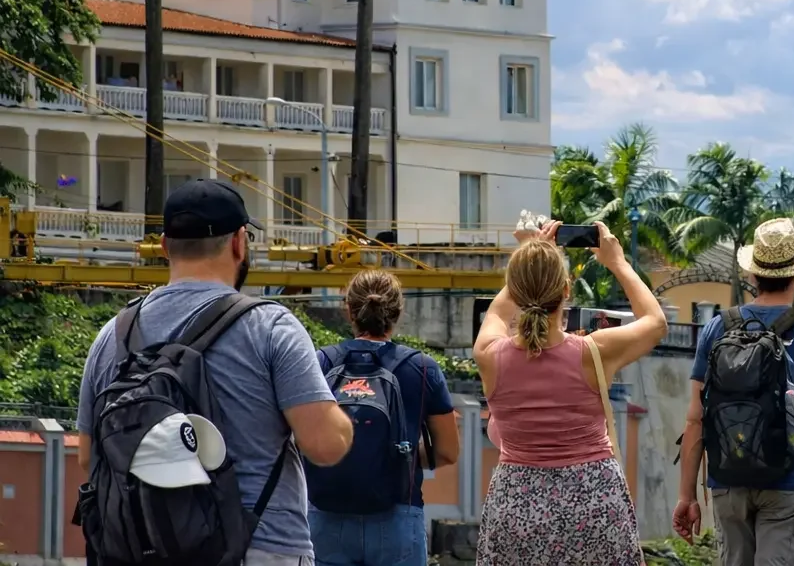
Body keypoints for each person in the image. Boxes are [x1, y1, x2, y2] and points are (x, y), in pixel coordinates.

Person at [76, 179, 354, 566]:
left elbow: (89, 459)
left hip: (138, 552)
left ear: (164, 247)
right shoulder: (270, 326)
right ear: (240, 242)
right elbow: (325, 446)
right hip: (258, 547)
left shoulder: (114, 334)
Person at [473, 220, 667, 566]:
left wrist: (530, 255)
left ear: (515, 291)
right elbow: (655, 321)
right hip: (593, 500)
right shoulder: (595, 351)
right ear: (566, 291)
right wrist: (617, 261)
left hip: (517, 504)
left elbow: (498, 313)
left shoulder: (490, 355)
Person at [673, 218, 794, 566]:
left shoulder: (717, 328)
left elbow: (695, 418)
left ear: (753, 276)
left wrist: (687, 495)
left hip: (728, 481)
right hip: (790, 483)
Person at [307, 269, 461, 566]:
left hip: (327, 516)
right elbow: (447, 451)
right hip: (398, 518)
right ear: (397, 312)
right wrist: (393, 455)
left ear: (349, 310)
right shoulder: (423, 368)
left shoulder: (321, 362)